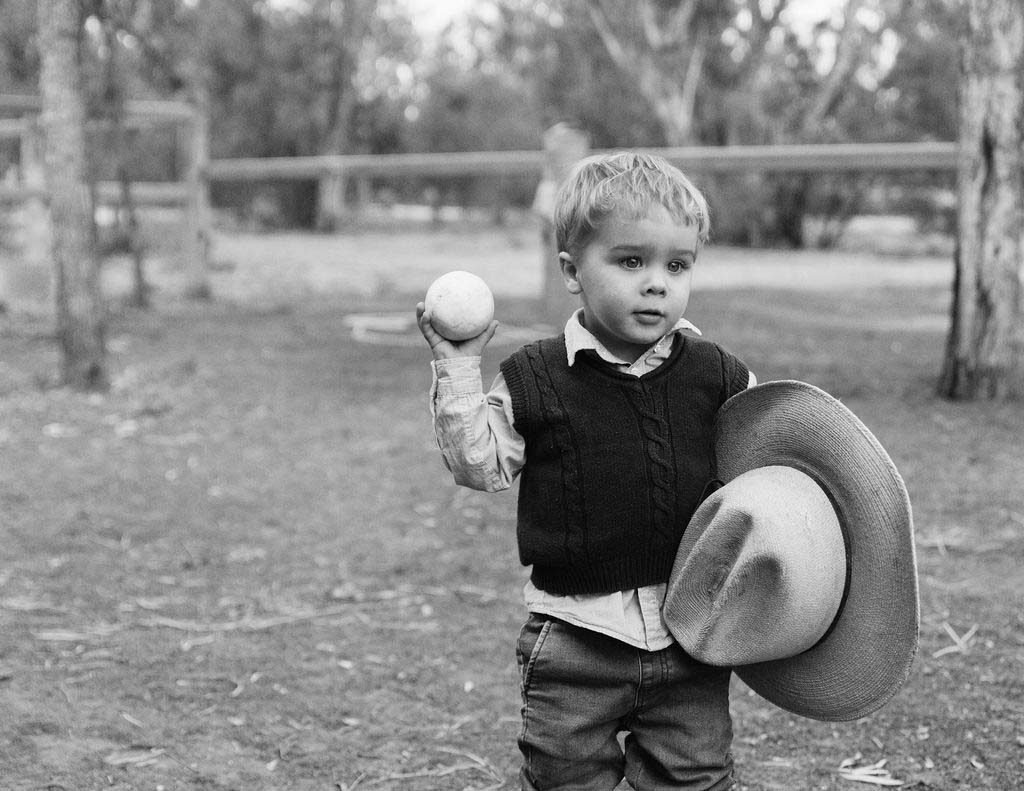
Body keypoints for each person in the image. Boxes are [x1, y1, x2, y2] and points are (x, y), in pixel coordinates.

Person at [416, 151, 754, 791]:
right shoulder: (536, 377)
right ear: (572, 270)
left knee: (698, 778)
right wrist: (460, 368)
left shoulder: (721, 377)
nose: (657, 282)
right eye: (631, 261)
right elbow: (481, 466)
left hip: (693, 642)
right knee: (563, 781)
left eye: (677, 265)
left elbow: (765, 478)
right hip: (575, 640)